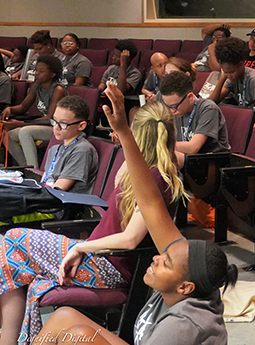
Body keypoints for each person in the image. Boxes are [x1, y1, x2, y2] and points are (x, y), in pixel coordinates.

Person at [30, 81, 237, 345]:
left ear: (185, 287)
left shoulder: (183, 326)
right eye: (165, 255)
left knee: (79, 336)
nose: (156, 258)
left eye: (166, 263)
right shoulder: (182, 287)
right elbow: (150, 204)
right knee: (64, 317)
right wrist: (124, 133)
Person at [0, 93, 186, 345]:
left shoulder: (157, 178)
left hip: (107, 265)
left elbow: (131, 239)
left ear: (137, 134)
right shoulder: (143, 169)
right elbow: (127, 174)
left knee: (13, 239)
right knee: (12, 257)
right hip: (95, 255)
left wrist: (80, 246)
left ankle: (9, 338)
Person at [1, 54, 66, 167]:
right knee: (7, 135)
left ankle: (33, 168)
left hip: (59, 127)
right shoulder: (37, 86)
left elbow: (50, 119)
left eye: (41, 71)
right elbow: (22, 107)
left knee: (25, 132)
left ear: (52, 74)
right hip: (43, 125)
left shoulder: (58, 90)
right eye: (36, 70)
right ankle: (24, 166)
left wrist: (21, 124)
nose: (36, 73)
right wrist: (10, 109)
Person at [161, 71, 230, 168]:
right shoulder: (177, 110)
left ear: (189, 97)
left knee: (167, 156)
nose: (172, 111)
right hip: (189, 158)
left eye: (174, 106)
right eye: (168, 106)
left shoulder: (208, 108)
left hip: (211, 162)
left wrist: (161, 144)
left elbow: (193, 148)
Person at [41, 95, 98, 194]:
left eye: (63, 124)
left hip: (64, 203)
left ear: (81, 126)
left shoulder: (82, 150)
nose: (56, 127)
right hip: (48, 198)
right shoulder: (54, 149)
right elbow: (44, 182)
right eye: (54, 121)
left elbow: (58, 189)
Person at [210, 37, 255, 109]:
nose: (229, 75)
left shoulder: (254, 80)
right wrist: (222, 78)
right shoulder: (232, 77)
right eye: (225, 72)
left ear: (241, 65)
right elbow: (213, 102)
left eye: (231, 72)